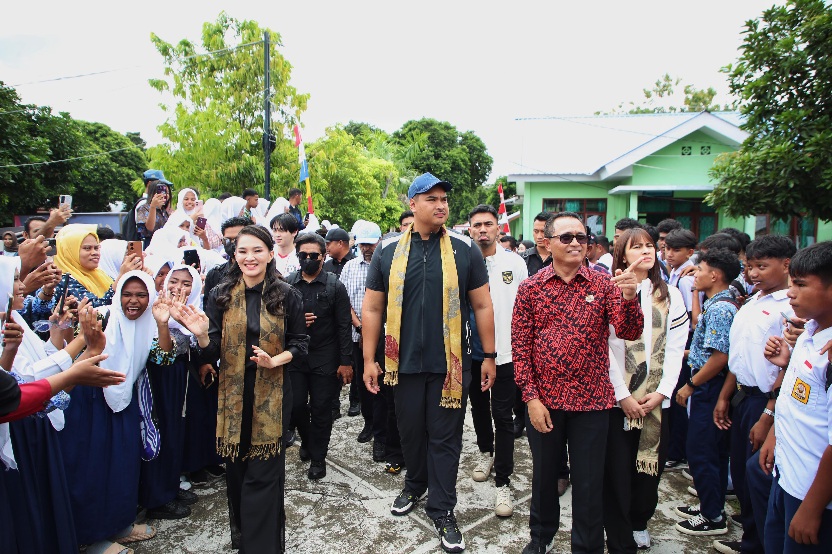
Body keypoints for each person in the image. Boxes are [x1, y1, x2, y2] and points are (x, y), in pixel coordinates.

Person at [362, 173, 496, 553]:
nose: (441, 205)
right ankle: (415, 485)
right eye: (431, 198)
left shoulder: (464, 249)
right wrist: (370, 359)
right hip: (400, 365)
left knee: (444, 438)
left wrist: (489, 354)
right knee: (409, 433)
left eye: (444, 199)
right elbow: (372, 307)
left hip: (450, 367)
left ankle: (442, 509)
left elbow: (483, 304)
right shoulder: (387, 252)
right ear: (413, 204)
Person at [513, 211, 643, 554]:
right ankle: (541, 536)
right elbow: (521, 347)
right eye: (566, 237)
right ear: (548, 242)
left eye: (581, 238)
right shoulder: (531, 288)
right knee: (544, 478)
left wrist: (631, 300)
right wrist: (531, 398)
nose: (575, 243)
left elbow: (629, 331)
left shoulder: (603, 285)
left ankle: (585, 546)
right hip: (546, 403)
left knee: (588, 483)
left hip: (592, 403)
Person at [183, 225, 308, 554]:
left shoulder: (287, 294)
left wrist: (274, 360)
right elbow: (211, 353)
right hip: (233, 397)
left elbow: (300, 344)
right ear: (234, 256)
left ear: (270, 254)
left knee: (263, 480)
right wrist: (200, 336)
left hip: (273, 393)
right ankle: (245, 538)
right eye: (242, 251)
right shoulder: (220, 295)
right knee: (237, 477)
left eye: (257, 250)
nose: (250, 257)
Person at [58, 270, 176, 553]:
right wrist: (65, 321)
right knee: (91, 468)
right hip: (89, 403)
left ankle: (117, 524)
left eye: (140, 294)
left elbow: (164, 356)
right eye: (127, 294)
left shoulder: (150, 322)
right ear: (117, 294)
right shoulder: (100, 317)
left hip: (123, 401)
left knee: (122, 465)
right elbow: (70, 353)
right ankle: (91, 538)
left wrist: (162, 324)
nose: (133, 301)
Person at [604, 227, 689, 551]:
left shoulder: (670, 295)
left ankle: (639, 521)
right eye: (636, 246)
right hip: (617, 401)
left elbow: (676, 347)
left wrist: (664, 391)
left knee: (648, 469)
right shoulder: (612, 291)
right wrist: (622, 395)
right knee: (616, 469)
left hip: (656, 402)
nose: (646, 251)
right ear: (622, 255)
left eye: (650, 245)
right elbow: (607, 349)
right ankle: (617, 527)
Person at [711, 235, 796, 554]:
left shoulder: (789, 307)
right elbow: (741, 354)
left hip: (766, 401)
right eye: (750, 266)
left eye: (762, 266)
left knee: (758, 473)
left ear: (786, 265)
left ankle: (760, 543)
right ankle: (751, 535)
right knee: (743, 474)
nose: (754, 273)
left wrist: (768, 414)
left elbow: (787, 368)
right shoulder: (754, 300)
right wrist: (725, 395)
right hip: (743, 396)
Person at [759, 241, 832, 553]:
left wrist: (813, 508)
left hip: (813, 494)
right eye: (792, 284)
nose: (791, 293)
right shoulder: (809, 332)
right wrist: (775, 433)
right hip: (788, 473)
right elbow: (796, 397)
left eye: (801, 285)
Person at [673, 248, 742, 536]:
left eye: (699, 270)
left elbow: (720, 357)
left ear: (714, 275)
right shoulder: (718, 303)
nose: (695, 275)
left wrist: (691, 385)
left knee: (702, 451)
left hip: (708, 386)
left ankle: (712, 516)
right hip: (707, 383)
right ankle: (708, 505)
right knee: (707, 449)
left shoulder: (721, 309)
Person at [466, 204, 528, 517]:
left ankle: (503, 481)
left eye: (488, 224)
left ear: (497, 228)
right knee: (477, 408)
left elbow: (524, 310)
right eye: (476, 225)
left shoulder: (514, 263)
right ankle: (485, 452)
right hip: (471, 353)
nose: (482, 230)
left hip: (505, 354)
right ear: (469, 229)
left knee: (503, 415)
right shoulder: (461, 262)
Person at [285, 233, 353, 480]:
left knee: (322, 409)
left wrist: (346, 362)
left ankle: (318, 458)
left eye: (314, 255)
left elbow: (344, 326)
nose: (309, 259)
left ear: (323, 257)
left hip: (326, 356)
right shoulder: (288, 284)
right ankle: (309, 440)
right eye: (304, 255)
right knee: (295, 406)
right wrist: (296, 322)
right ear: (297, 256)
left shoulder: (335, 286)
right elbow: (276, 322)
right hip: (296, 356)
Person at [139, 264, 203, 520]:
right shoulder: (155, 307)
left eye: (186, 283)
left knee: (175, 431)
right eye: (174, 281)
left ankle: (170, 486)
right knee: (160, 431)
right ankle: (157, 497)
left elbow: (199, 342)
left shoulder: (194, 309)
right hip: (158, 378)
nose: (178, 287)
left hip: (179, 375)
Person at [340, 222, 384, 456]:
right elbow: (344, 302)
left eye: (371, 244)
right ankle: (369, 423)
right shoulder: (349, 267)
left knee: (382, 385)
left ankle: (381, 433)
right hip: (357, 335)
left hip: (383, 337)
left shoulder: (386, 264)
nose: (367, 249)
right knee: (362, 385)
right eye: (363, 244)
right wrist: (359, 326)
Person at [662, 228, 698, 471]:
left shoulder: (686, 280)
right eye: (667, 249)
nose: (670, 254)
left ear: (690, 252)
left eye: (676, 250)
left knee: (677, 399)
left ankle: (676, 451)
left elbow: (687, 316)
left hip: (682, 339)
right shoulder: (674, 273)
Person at [136, 176, 173, 247]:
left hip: (164, 244)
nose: (165, 195)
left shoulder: (164, 211)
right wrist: (153, 207)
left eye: (167, 193)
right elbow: (150, 228)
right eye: (161, 192)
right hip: (150, 244)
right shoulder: (144, 208)